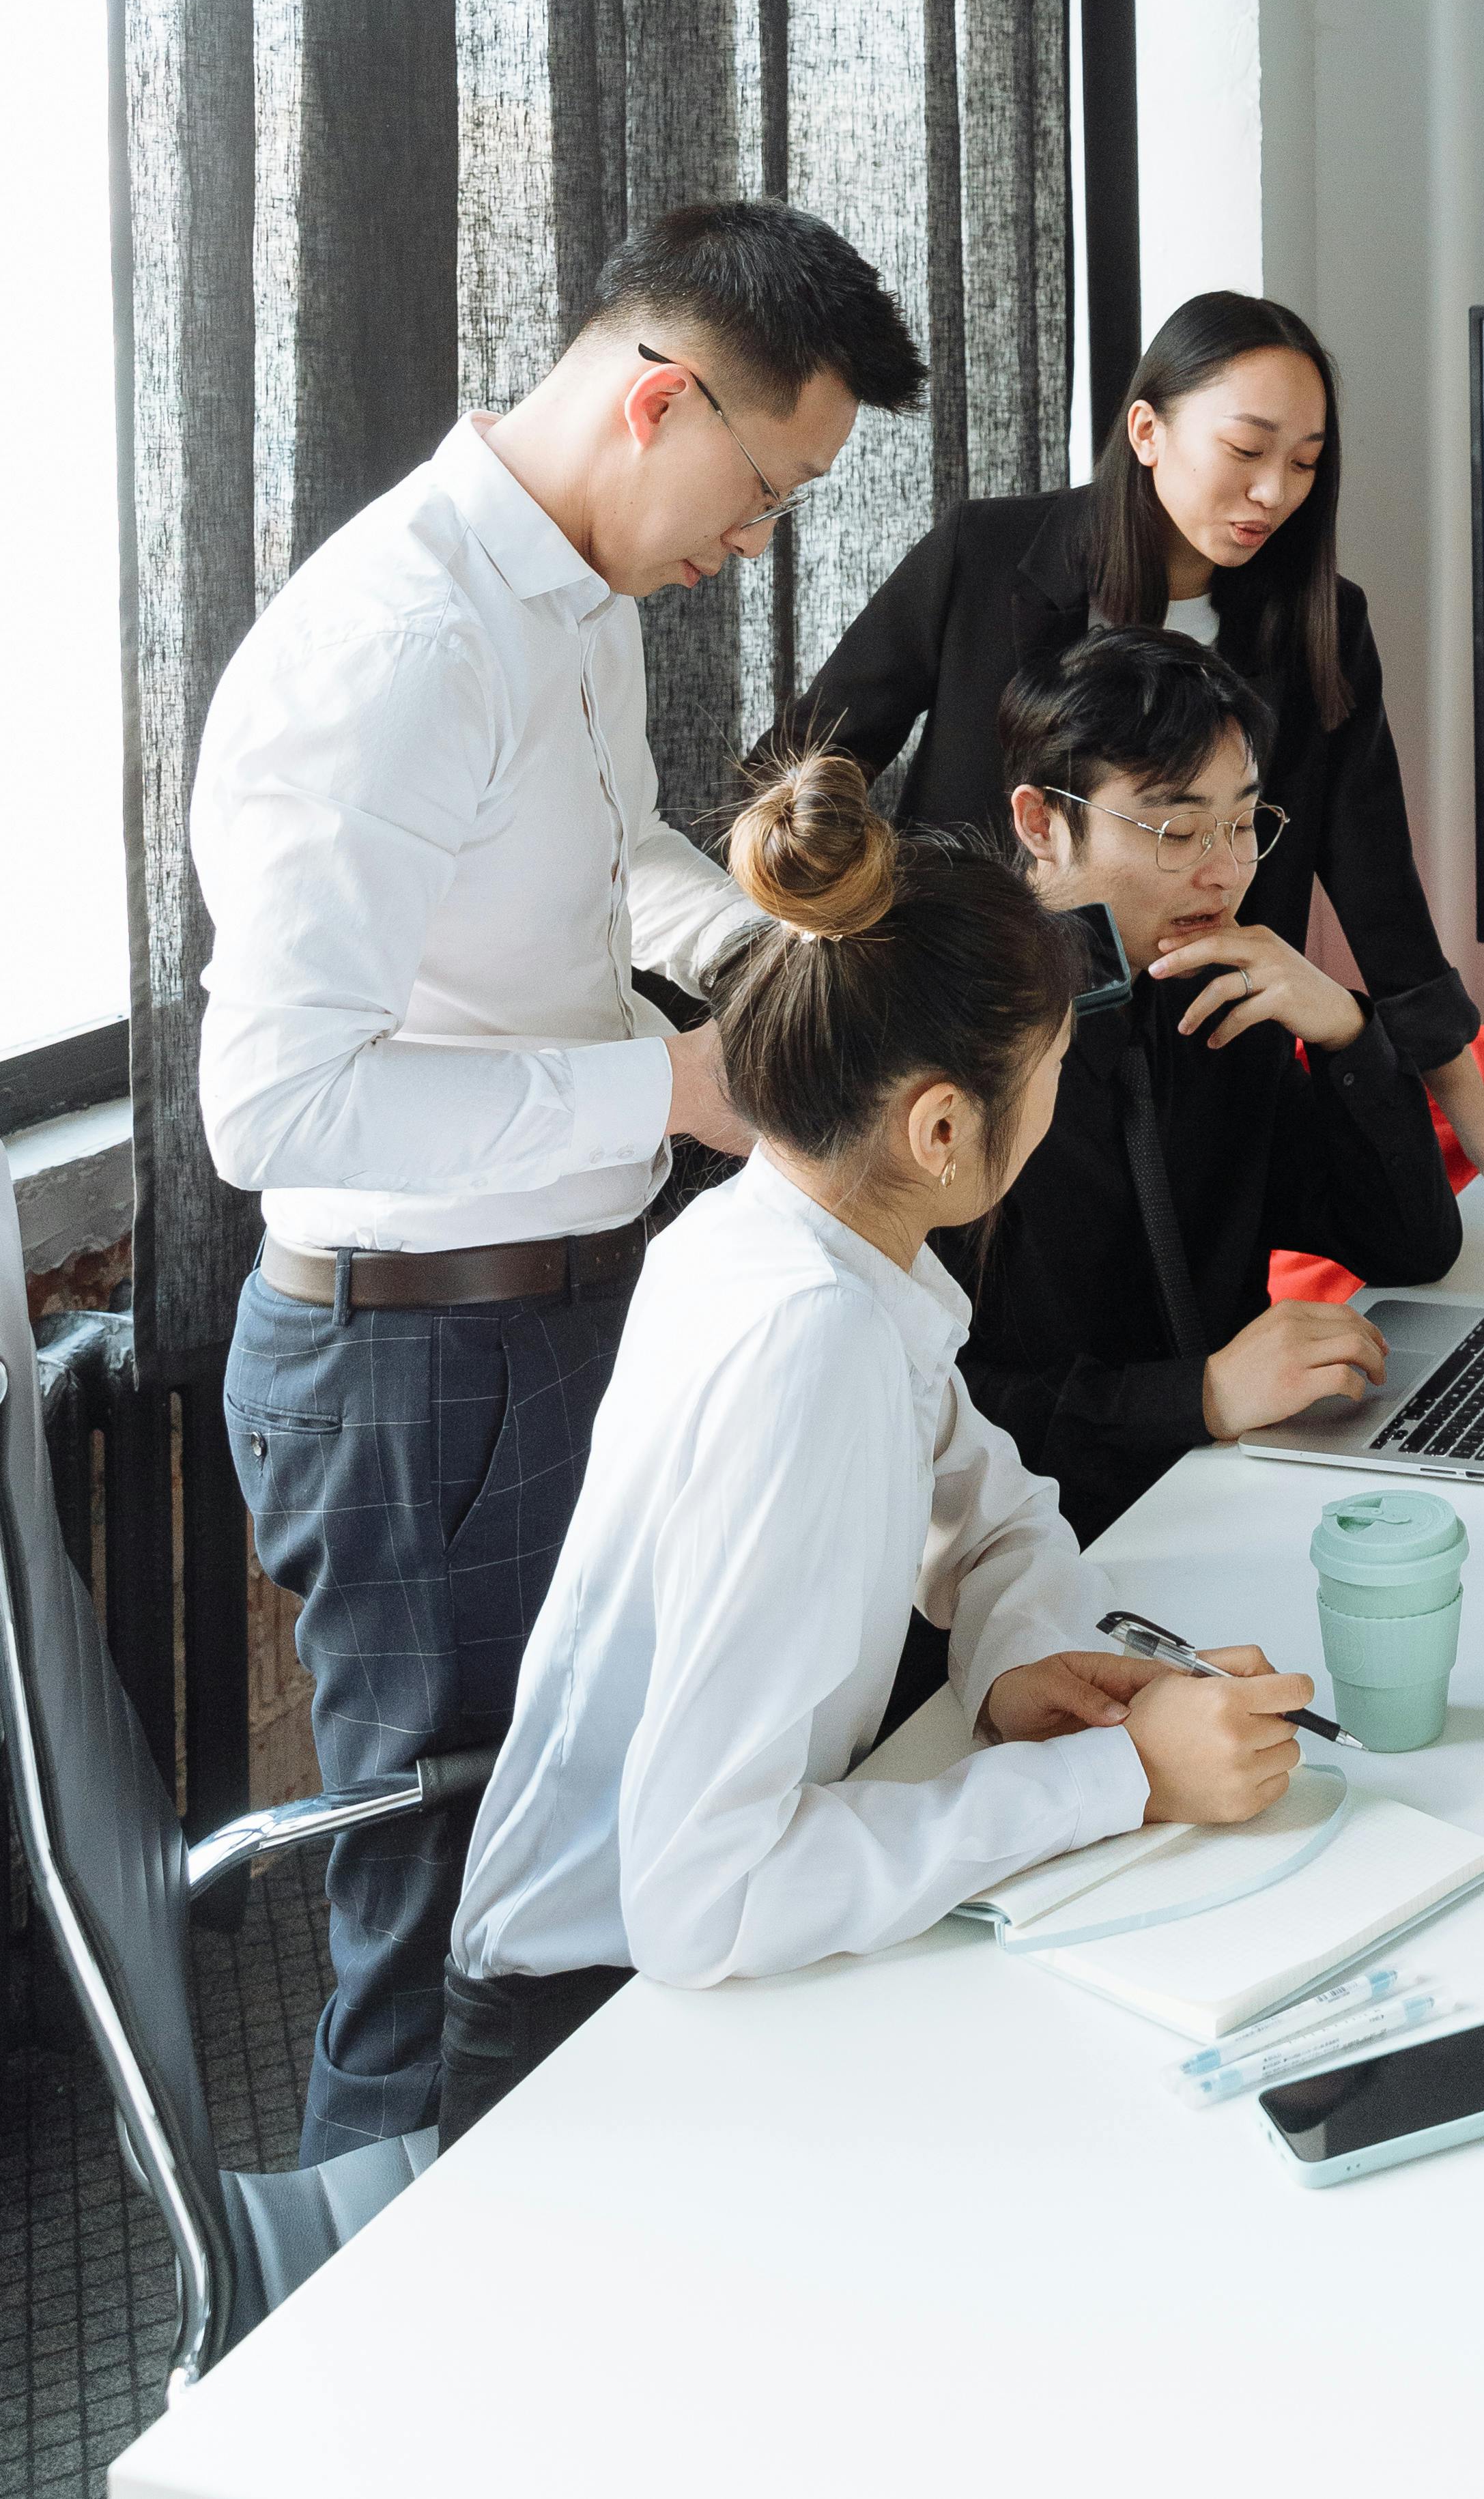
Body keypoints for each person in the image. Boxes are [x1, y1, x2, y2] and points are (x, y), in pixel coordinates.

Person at [196, 199, 924, 2158]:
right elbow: (273, 1104)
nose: (755, 544)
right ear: (659, 396)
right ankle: (328, 2403)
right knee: (446, 1917)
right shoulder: (401, 642)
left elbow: (617, 870)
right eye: (764, 489)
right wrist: (664, 1089)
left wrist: (774, 960)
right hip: (412, 1370)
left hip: (553, 1311)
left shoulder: (576, 595)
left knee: (583, 1864)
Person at [440, 750, 1307, 2145]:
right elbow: (700, 1898)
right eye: (1051, 1080)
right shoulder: (809, 1340)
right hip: (583, 2041)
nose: (1055, 1107)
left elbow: (996, 1507)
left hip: (673, 1978)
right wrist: (1118, 1776)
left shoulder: (803, 1240)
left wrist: (1026, 1655)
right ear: (946, 1125)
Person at [790, 285, 1484, 1199]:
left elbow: (1377, 887)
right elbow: (812, 768)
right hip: (976, 1063)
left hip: (1203, 1068)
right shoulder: (985, 555)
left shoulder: (1320, 624)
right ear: (1146, 431)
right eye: (1246, 450)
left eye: (1303, 464)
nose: (1273, 492)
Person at [943, 628, 1464, 1542]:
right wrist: (1203, 1394)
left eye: (1242, 823)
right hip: (1040, 1553)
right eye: (1177, 831)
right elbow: (944, 1414)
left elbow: (1410, 1247)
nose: (1224, 871)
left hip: (1240, 1496)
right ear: (1040, 824)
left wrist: (1347, 1032)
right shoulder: (952, 1043)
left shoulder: (1222, 994)